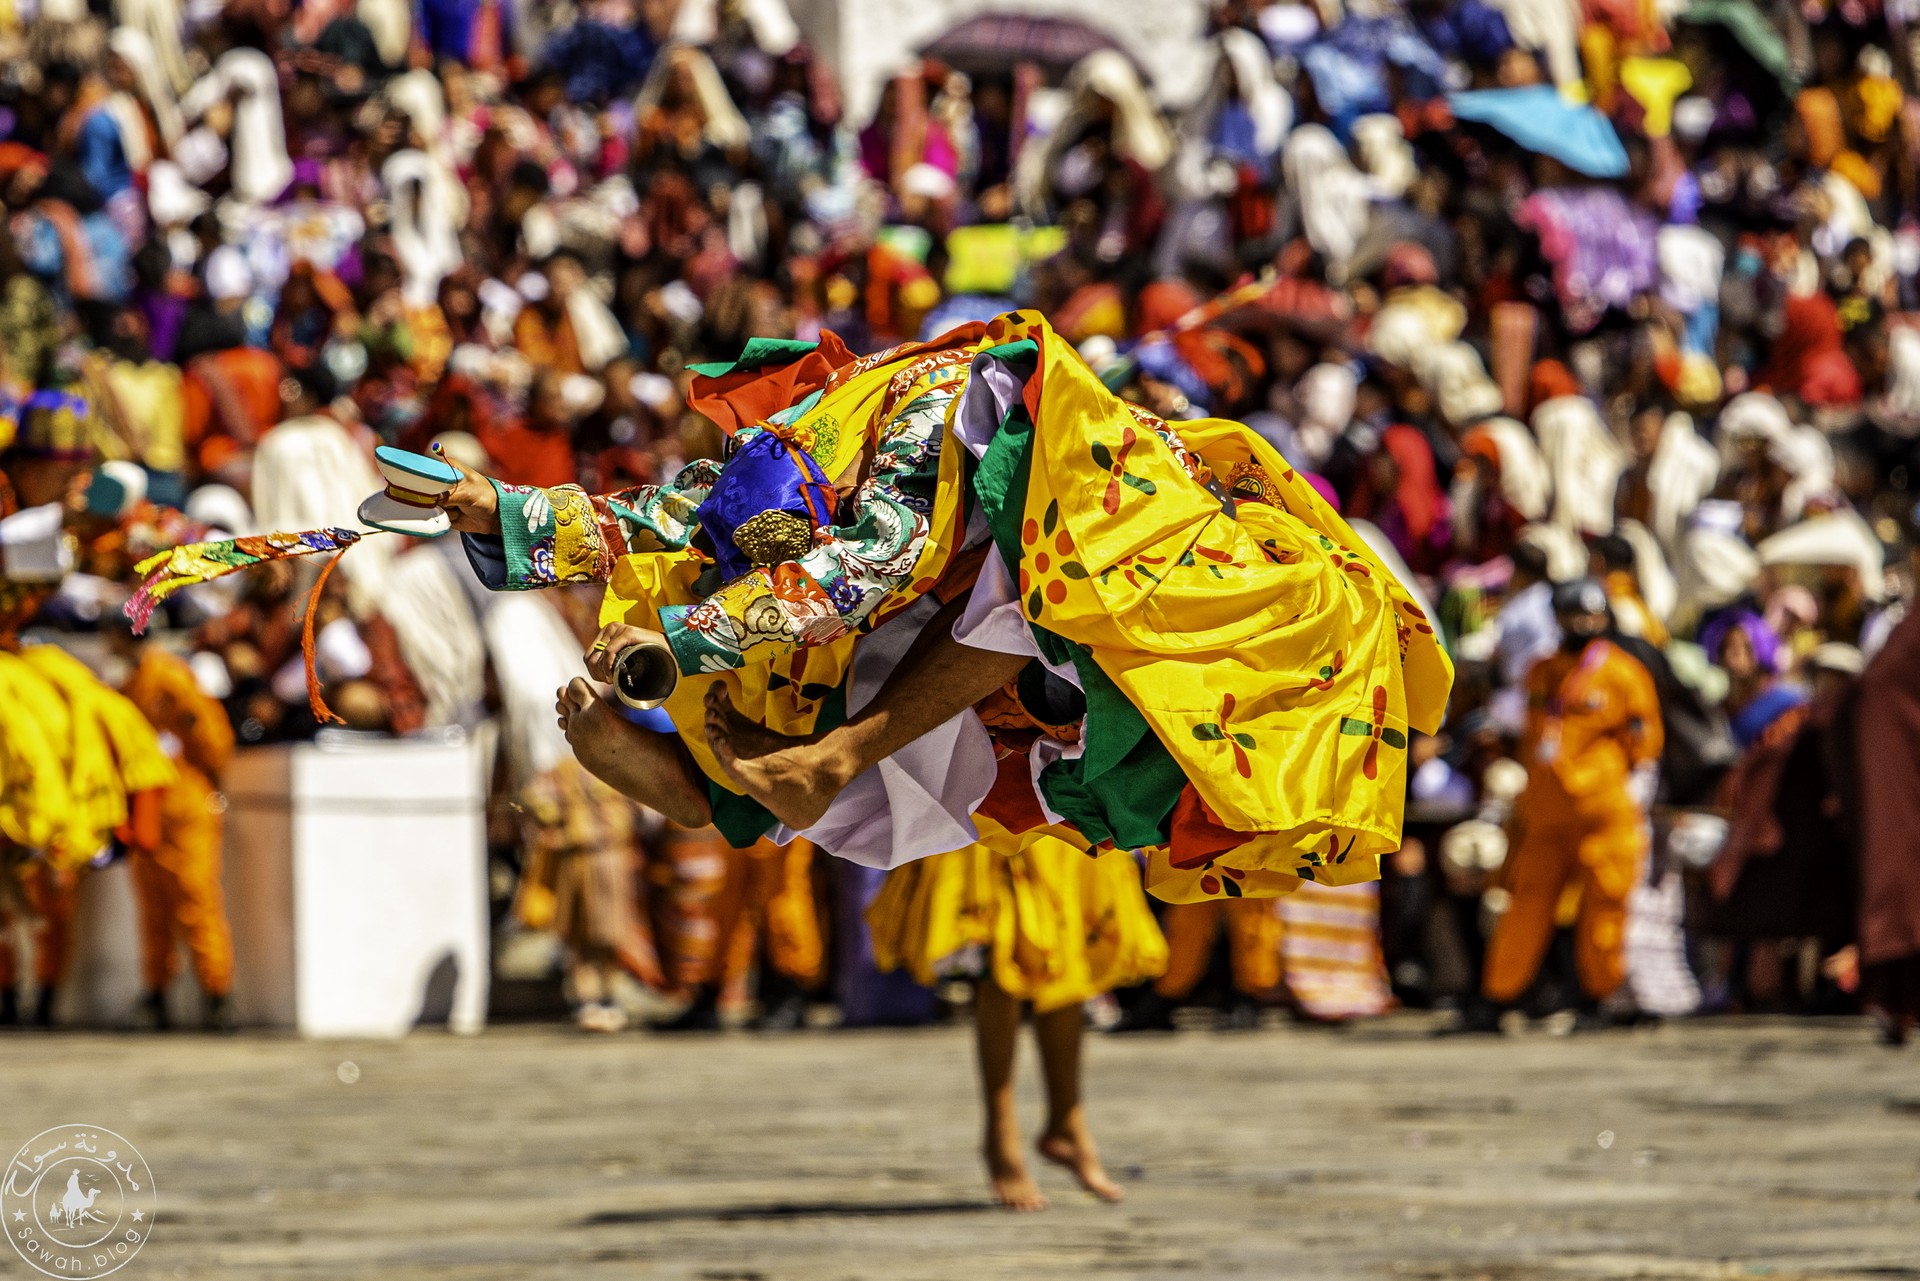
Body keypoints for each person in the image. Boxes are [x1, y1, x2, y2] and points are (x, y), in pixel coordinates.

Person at [866, 810, 1167, 1210]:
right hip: (997, 790)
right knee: (1003, 946)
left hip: (1066, 784)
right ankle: (1001, 1130)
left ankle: (1067, 1121)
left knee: (1067, 947)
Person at [1456, 578, 1663, 1032]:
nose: (1581, 624)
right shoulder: (1541, 670)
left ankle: (1600, 997)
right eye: (1572, 615)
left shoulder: (1624, 673)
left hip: (1602, 810)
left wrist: (1634, 789)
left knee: (1605, 905)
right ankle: (1498, 995)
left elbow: (1644, 742)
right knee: (1525, 902)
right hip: (1546, 812)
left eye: (1589, 616)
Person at [119, 643, 238, 1031]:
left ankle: (217, 997)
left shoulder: (168, 678)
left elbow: (209, 734)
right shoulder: (133, 683)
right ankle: (156, 996)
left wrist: (214, 776)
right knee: (153, 908)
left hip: (184, 808)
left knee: (196, 899)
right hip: (151, 807)